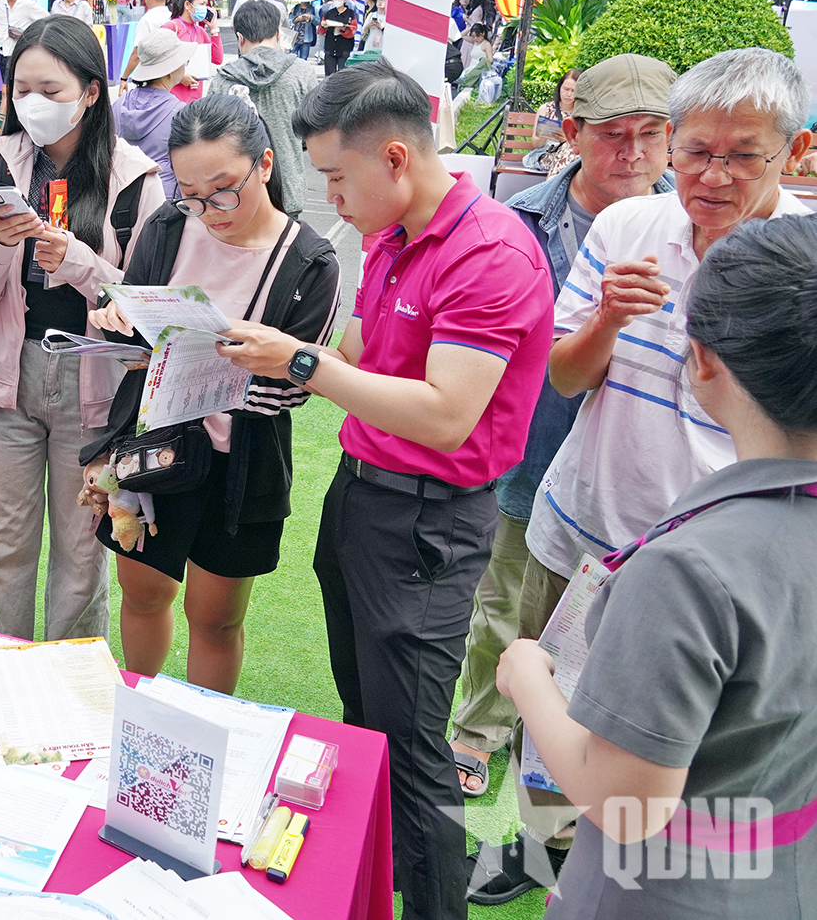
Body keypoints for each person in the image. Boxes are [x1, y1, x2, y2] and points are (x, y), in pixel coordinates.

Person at [217, 60, 554, 920]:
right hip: (363, 498)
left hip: (427, 520)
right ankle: (375, 888)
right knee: (365, 717)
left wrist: (304, 364)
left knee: (409, 748)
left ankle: (431, 902)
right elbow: (361, 351)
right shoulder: (391, 230)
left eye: (335, 175)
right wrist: (271, 350)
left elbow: (445, 415)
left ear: (394, 156)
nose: (328, 195)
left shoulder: (487, 254)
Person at [494, 46, 815, 904]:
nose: (710, 175)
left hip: (711, 557)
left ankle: (632, 877)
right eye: (693, 150)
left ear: (794, 150)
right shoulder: (627, 227)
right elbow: (561, 377)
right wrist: (605, 318)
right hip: (588, 524)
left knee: (684, 754)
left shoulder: (799, 267)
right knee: (556, 733)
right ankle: (548, 856)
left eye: (742, 154)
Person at [445, 54, 676, 897]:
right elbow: (537, 362)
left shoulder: (695, 232)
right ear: (571, 134)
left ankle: (582, 851)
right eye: (613, 135)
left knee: (627, 673)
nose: (634, 153)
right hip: (534, 455)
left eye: (652, 135)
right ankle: (483, 742)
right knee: (505, 615)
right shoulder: (526, 219)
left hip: (654, 502)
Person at [83, 96, 340, 693]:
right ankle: (136, 707)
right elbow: (136, 335)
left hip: (240, 467)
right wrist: (120, 314)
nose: (210, 211)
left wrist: (219, 362)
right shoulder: (170, 227)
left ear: (266, 165)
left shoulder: (308, 261)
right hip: (152, 448)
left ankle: (201, 732)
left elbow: (291, 394)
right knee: (143, 593)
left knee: (216, 618)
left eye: (225, 189)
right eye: (191, 194)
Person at [0, 15, 165, 643]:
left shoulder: (135, 181)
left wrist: (79, 263)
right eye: (21, 89)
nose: (33, 105)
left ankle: (69, 691)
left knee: (83, 553)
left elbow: (146, 307)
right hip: (8, 373)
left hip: (96, 383)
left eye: (52, 91)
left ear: (92, 92)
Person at [210, 0, 317, 215]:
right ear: (278, 33)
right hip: (288, 192)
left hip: (236, 193)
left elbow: (211, 136)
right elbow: (312, 133)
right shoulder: (302, 73)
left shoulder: (223, 79)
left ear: (240, 38)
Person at [112, 28, 191, 200]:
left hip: (122, 200)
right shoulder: (181, 114)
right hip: (166, 202)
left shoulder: (118, 105)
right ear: (170, 69)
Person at [0, 0, 46, 137]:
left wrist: (28, 36)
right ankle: (16, 122)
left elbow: (45, 19)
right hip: (2, 50)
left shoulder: (27, 5)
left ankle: (0, 123)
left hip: (19, 53)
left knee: (7, 89)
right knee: (10, 88)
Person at [163, 0, 222, 103]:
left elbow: (217, 59)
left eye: (206, 4)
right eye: (202, 4)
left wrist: (214, 29)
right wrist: (180, 76)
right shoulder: (172, 27)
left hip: (194, 97)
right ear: (187, 5)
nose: (205, 8)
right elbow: (158, 59)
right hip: (172, 96)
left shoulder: (200, 31)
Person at [116, 0, 172, 94]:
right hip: (170, 75)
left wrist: (124, 77)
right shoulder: (172, 17)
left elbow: (137, 54)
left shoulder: (147, 20)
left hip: (152, 77)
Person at [318, 0, 356, 76]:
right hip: (330, 46)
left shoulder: (350, 14)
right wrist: (323, 25)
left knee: (342, 74)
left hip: (344, 47)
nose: (337, 1)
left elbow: (353, 30)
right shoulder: (329, 13)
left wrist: (344, 29)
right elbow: (321, 31)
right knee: (329, 74)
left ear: (345, 0)